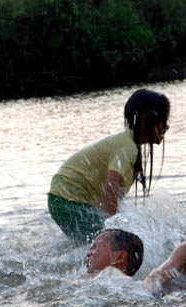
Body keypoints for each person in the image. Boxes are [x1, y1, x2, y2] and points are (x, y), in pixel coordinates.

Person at [48, 89, 170, 241]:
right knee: (107, 243)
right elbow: (110, 190)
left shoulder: (128, 143)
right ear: (146, 120)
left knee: (90, 244)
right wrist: (115, 228)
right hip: (68, 198)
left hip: (63, 198)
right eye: (164, 121)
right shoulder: (127, 148)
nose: (167, 127)